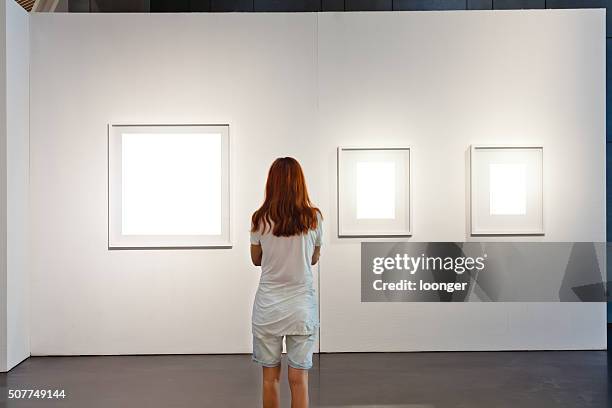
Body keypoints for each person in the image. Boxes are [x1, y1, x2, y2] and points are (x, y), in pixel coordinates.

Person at [250, 157, 323, 408]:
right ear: (299, 183)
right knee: (298, 378)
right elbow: (313, 258)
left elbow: (256, 259)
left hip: (269, 307)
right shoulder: (313, 218)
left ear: (272, 183)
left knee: (270, 378)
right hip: (301, 307)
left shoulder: (260, 219)